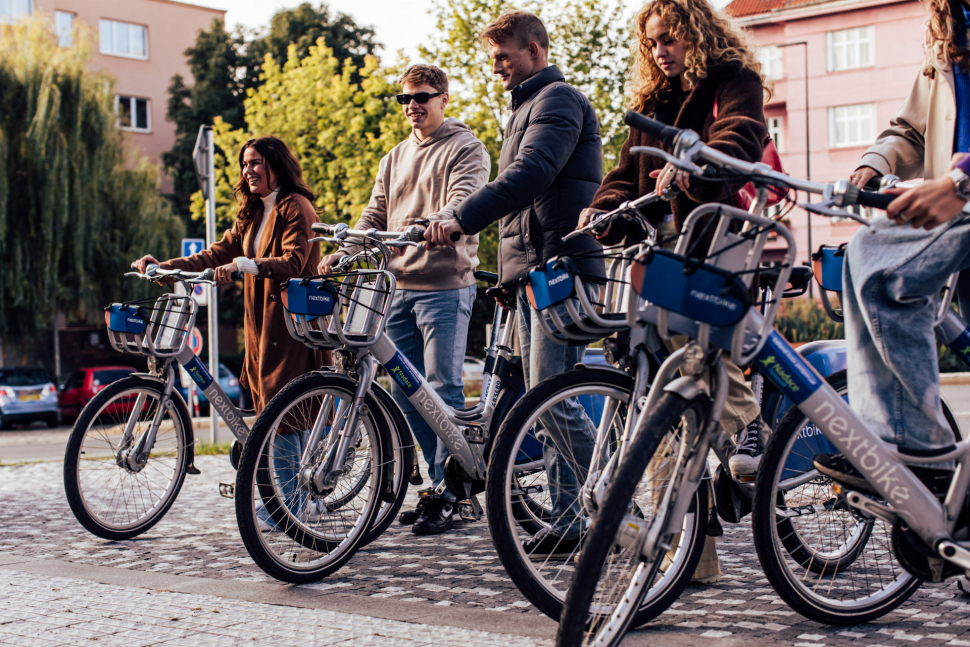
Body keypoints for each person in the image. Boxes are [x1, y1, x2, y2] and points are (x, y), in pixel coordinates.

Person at [575, 0, 771, 582]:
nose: (660, 51)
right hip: (654, 248)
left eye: (670, 39)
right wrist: (601, 210)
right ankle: (683, 560)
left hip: (714, 233)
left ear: (696, 33)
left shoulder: (733, 79)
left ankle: (748, 420)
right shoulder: (652, 101)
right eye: (652, 42)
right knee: (661, 400)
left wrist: (698, 160)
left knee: (696, 349)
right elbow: (623, 170)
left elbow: (741, 135)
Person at [428, 11, 606, 560]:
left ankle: (615, 500)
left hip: (563, 266)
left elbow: (530, 177)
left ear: (534, 49)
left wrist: (462, 216)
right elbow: (523, 210)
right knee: (543, 397)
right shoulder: (526, 107)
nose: (496, 65)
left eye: (504, 55)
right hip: (535, 271)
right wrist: (508, 277)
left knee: (551, 398)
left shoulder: (558, 101)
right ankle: (571, 519)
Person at [319, 64, 490, 536]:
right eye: (406, 99)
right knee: (407, 393)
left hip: (445, 285)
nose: (413, 105)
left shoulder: (466, 147)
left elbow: (464, 199)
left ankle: (453, 492)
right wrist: (346, 252)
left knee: (441, 388)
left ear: (444, 98)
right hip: (396, 287)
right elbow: (375, 212)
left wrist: (433, 224)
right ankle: (437, 486)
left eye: (423, 96)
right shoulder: (394, 156)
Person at [813, 0, 970, 491]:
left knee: (883, 272)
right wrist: (875, 161)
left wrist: (959, 181)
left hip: (960, 196)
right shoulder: (950, 29)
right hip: (955, 202)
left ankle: (922, 454)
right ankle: (890, 442)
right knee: (864, 251)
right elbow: (911, 130)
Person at [133, 136, 325, 531]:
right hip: (259, 329)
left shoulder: (296, 207)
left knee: (284, 414)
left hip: (291, 325)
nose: (248, 170)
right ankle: (290, 498)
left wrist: (245, 265)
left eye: (256, 162)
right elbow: (215, 253)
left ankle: (295, 503)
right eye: (244, 164)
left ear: (276, 164)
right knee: (267, 413)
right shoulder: (252, 213)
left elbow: (295, 261)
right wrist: (166, 266)